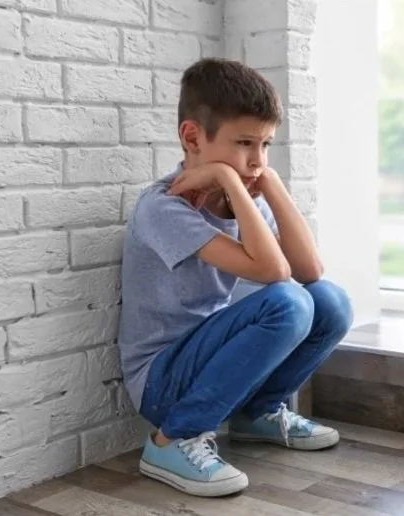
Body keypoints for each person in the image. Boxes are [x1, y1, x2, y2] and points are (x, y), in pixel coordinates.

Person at [117, 57, 353, 497]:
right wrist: (227, 175)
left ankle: (257, 413)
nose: (256, 161)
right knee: (289, 303)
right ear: (192, 137)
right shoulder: (164, 207)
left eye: (265, 145)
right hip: (162, 382)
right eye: (245, 143)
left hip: (213, 363)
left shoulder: (240, 195)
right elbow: (274, 272)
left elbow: (309, 270)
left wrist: (272, 187)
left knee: (330, 301)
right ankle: (171, 441)